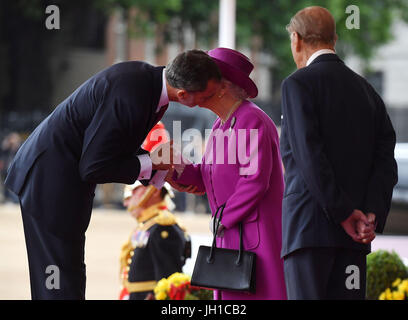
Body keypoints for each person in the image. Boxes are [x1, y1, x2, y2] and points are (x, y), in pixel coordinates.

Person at [4, 50, 221, 299]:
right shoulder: (135, 94)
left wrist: (161, 172)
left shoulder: (146, 82)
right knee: (59, 276)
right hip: (50, 181)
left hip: (57, 179)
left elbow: (114, 147)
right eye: (208, 96)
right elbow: (95, 165)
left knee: (67, 273)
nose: (211, 101)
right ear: (184, 95)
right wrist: (152, 163)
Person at [280, 6, 398, 300]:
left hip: (309, 232)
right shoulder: (368, 91)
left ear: (296, 39)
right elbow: (385, 159)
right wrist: (370, 212)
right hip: (354, 238)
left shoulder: (297, 84)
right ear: (334, 39)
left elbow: (309, 155)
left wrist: (343, 212)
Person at [166, 47, 287, 300]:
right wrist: (171, 166)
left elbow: (254, 180)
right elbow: (205, 177)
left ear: (221, 86)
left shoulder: (251, 119)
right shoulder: (222, 123)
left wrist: (224, 218)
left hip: (255, 237)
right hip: (232, 233)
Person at [119, 123, 191, 300]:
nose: (129, 198)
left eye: (136, 190)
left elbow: (168, 283)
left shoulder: (163, 226)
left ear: (155, 190)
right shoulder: (147, 225)